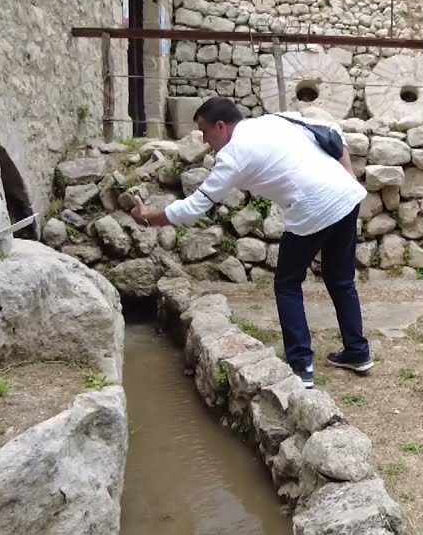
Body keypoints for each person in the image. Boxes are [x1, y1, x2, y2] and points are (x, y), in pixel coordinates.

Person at [130, 97, 373, 388]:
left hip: (312, 206)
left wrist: (147, 218)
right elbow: (331, 129)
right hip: (346, 197)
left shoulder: (232, 155)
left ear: (221, 126)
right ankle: (357, 353)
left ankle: (301, 366)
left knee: (287, 284)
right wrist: (347, 175)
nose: (206, 142)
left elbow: (194, 207)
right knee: (341, 279)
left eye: (205, 133)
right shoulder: (273, 121)